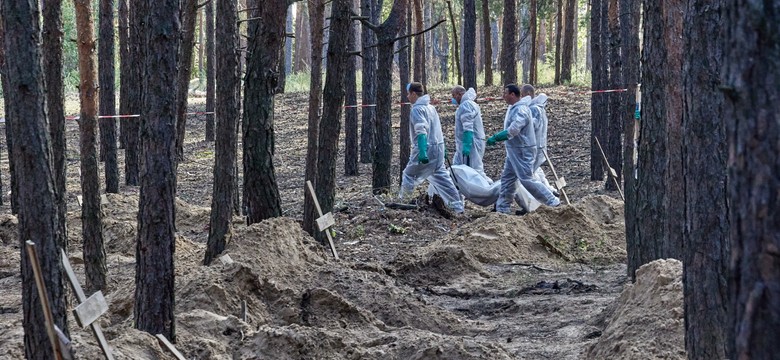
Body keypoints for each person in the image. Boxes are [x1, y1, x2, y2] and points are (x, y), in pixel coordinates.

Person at [486, 84, 560, 214]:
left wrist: (497, 137)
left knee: (526, 179)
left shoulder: (522, 110)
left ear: (513, 95)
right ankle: (503, 208)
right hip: (514, 150)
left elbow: (514, 129)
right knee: (508, 179)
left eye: (505, 93)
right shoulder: (515, 108)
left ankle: (552, 201)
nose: (503, 96)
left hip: (523, 150)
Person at [400, 82, 464, 213]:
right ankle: (458, 207)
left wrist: (422, 151)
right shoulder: (431, 108)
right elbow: (438, 130)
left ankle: (403, 203)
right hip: (438, 149)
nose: (407, 97)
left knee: (408, 174)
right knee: (442, 178)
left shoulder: (417, 109)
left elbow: (421, 130)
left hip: (425, 148)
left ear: (413, 94)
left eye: (408, 94)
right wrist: (443, 149)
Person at [524, 86, 556, 193]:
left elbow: (531, 126)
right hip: (539, 145)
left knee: (530, 173)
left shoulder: (534, 109)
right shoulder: (539, 108)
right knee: (537, 169)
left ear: (528, 94)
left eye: (522, 94)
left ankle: (545, 195)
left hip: (534, 146)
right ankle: (550, 190)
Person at [451, 85, 487, 178]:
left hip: (472, 144)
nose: (453, 98)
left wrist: (467, 145)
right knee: (459, 170)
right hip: (469, 143)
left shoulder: (466, 106)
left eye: (454, 95)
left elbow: (468, 127)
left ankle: (487, 190)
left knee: (474, 172)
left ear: (459, 94)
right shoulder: (469, 104)